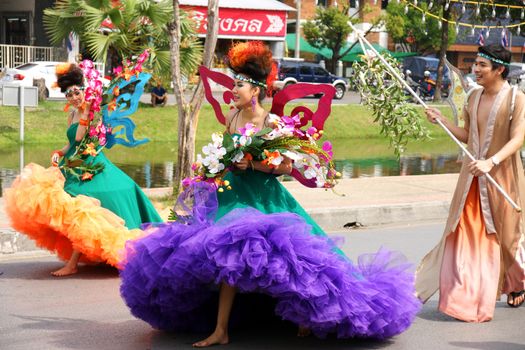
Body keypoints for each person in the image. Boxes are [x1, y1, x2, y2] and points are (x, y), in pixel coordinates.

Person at [119, 41, 421, 347]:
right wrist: (213, 169)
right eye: (233, 83)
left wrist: (252, 162)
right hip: (233, 195)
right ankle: (221, 329)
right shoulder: (232, 118)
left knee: (291, 263)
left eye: (239, 85)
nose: (233, 90)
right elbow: (224, 153)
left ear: (256, 90)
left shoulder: (271, 122)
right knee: (227, 258)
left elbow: (286, 167)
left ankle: (306, 315)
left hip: (264, 199)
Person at [4, 62, 162, 276]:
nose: (73, 98)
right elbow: (71, 143)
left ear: (83, 90)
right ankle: (73, 261)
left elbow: (80, 137)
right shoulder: (72, 114)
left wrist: (87, 110)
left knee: (83, 210)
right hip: (72, 166)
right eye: (69, 95)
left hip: (91, 166)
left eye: (76, 92)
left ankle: (72, 264)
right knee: (71, 212)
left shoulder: (92, 113)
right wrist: (59, 152)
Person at [416, 44, 525, 322]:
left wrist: (492, 162)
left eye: (481, 65)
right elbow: (467, 135)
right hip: (471, 180)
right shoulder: (473, 97)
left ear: (499, 69)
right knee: (465, 233)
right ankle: (466, 297)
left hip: (503, 177)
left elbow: (518, 139)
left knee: (508, 236)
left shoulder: (516, 98)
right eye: (475, 64)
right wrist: (442, 121)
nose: (475, 69)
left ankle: (516, 283)